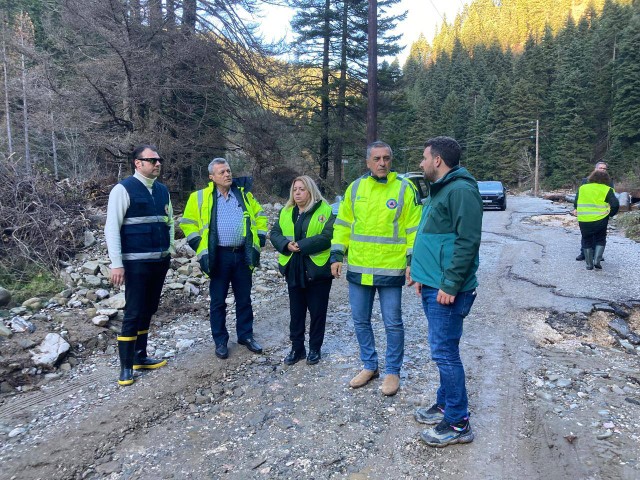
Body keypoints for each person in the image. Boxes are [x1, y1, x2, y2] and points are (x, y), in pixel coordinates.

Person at [331, 141, 421, 396]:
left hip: (391, 269)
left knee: (393, 323)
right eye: (377, 159)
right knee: (360, 321)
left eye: (386, 158)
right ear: (368, 162)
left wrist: (413, 262)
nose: (382, 163)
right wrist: (336, 254)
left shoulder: (405, 188)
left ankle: (392, 371)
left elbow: (414, 229)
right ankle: (370, 366)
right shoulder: (355, 188)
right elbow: (343, 224)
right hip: (359, 268)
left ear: (391, 160)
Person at [408, 136, 482, 447]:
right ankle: (445, 404)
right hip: (433, 283)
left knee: (445, 353)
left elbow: (468, 241)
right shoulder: (441, 189)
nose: (422, 163)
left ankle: (457, 422)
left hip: (448, 289)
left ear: (437, 160)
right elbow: (432, 237)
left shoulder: (461, 190)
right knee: (443, 351)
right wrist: (420, 273)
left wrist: (450, 283)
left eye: (425, 157)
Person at [179, 158, 268, 359]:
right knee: (218, 301)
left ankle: (245, 335)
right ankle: (220, 341)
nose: (227, 174)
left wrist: (260, 237)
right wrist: (199, 245)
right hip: (218, 255)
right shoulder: (199, 197)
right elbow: (187, 223)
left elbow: (261, 215)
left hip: (243, 254)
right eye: (222, 172)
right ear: (212, 177)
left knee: (244, 298)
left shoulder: (243, 194)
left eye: (228, 171)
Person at [105, 144, 174, 386]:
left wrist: (170, 250)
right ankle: (126, 367)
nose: (158, 163)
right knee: (133, 311)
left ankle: (140, 356)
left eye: (159, 160)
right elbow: (111, 228)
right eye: (152, 160)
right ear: (138, 163)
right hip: (135, 264)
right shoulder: (123, 189)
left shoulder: (162, 190)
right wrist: (116, 264)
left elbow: (169, 222)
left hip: (159, 262)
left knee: (149, 308)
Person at [270, 176, 335, 365]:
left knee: (317, 312)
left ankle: (315, 348)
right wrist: (286, 244)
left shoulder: (325, 210)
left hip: (317, 269)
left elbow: (328, 235)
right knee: (296, 312)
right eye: (295, 189)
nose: (297, 193)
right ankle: (297, 348)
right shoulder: (286, 211)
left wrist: (302, 245)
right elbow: (275, 233)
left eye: (302, 189)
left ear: (311, 190)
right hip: (293, 268)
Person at [575, 169, 619, 270]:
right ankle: (597, 261)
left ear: (591, 177)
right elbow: (615, 205)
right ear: (606, 179)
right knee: (600, 239)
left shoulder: (582, 188)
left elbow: (576, 202)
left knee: (586, 239)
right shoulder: (607, 189)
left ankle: (589, 264)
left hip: (584, 219)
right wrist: (610, 214)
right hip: (601, 219)